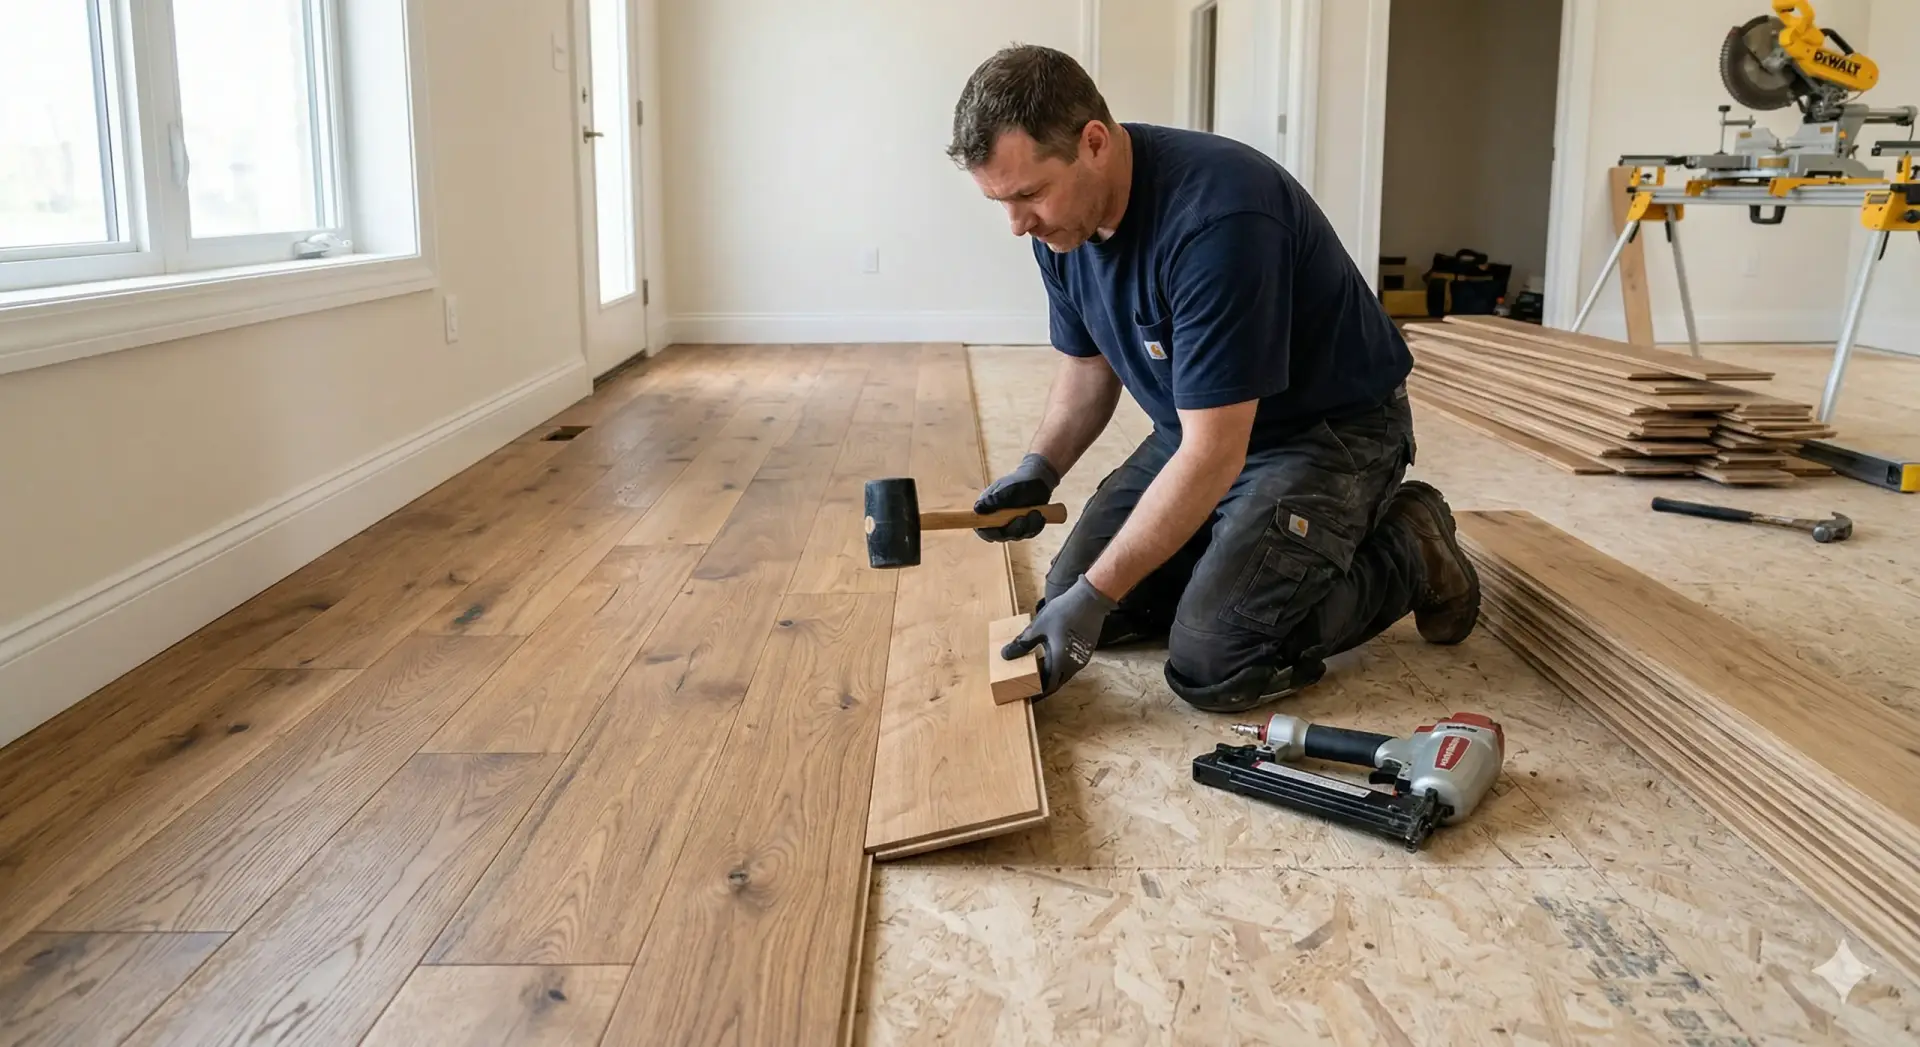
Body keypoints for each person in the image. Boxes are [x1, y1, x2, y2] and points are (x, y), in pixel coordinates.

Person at [947, 43, 1481, 712]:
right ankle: (1239, 561)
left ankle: (1410, 545)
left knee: (1216, 657)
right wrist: (1040, 468)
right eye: (1000, 201)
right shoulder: (1062, 228)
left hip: (1324, 432)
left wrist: (1102, 587)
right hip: (1197, 423)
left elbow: (1214, 453)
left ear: (1093, 143)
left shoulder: (1219, 220)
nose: (1017, 223)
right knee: (1081, 607)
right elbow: (1088, 372)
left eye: (1027, 194)